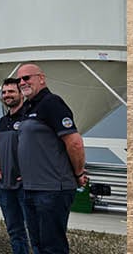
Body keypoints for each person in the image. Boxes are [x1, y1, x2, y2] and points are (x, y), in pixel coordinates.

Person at [15, 64, 88, 254]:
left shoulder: (52, 103)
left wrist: (78, 173)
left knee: (52, 247)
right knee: (38, 245)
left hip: (52, 189)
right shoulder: (28, 107)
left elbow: (74, 143)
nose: (22, 82)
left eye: (27, 78)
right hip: (32, 188)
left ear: (41, 78)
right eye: (19, 80)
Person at [0, 78, 31, 254]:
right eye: (4, 92)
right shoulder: (3, 121)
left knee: (35, 230)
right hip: (5, 184)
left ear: (21, 93)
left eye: (11, 92)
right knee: (14, 229)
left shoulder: (29, 118)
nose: (7, 95)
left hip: (26, 184)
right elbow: (0, 149)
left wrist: (30, 173)